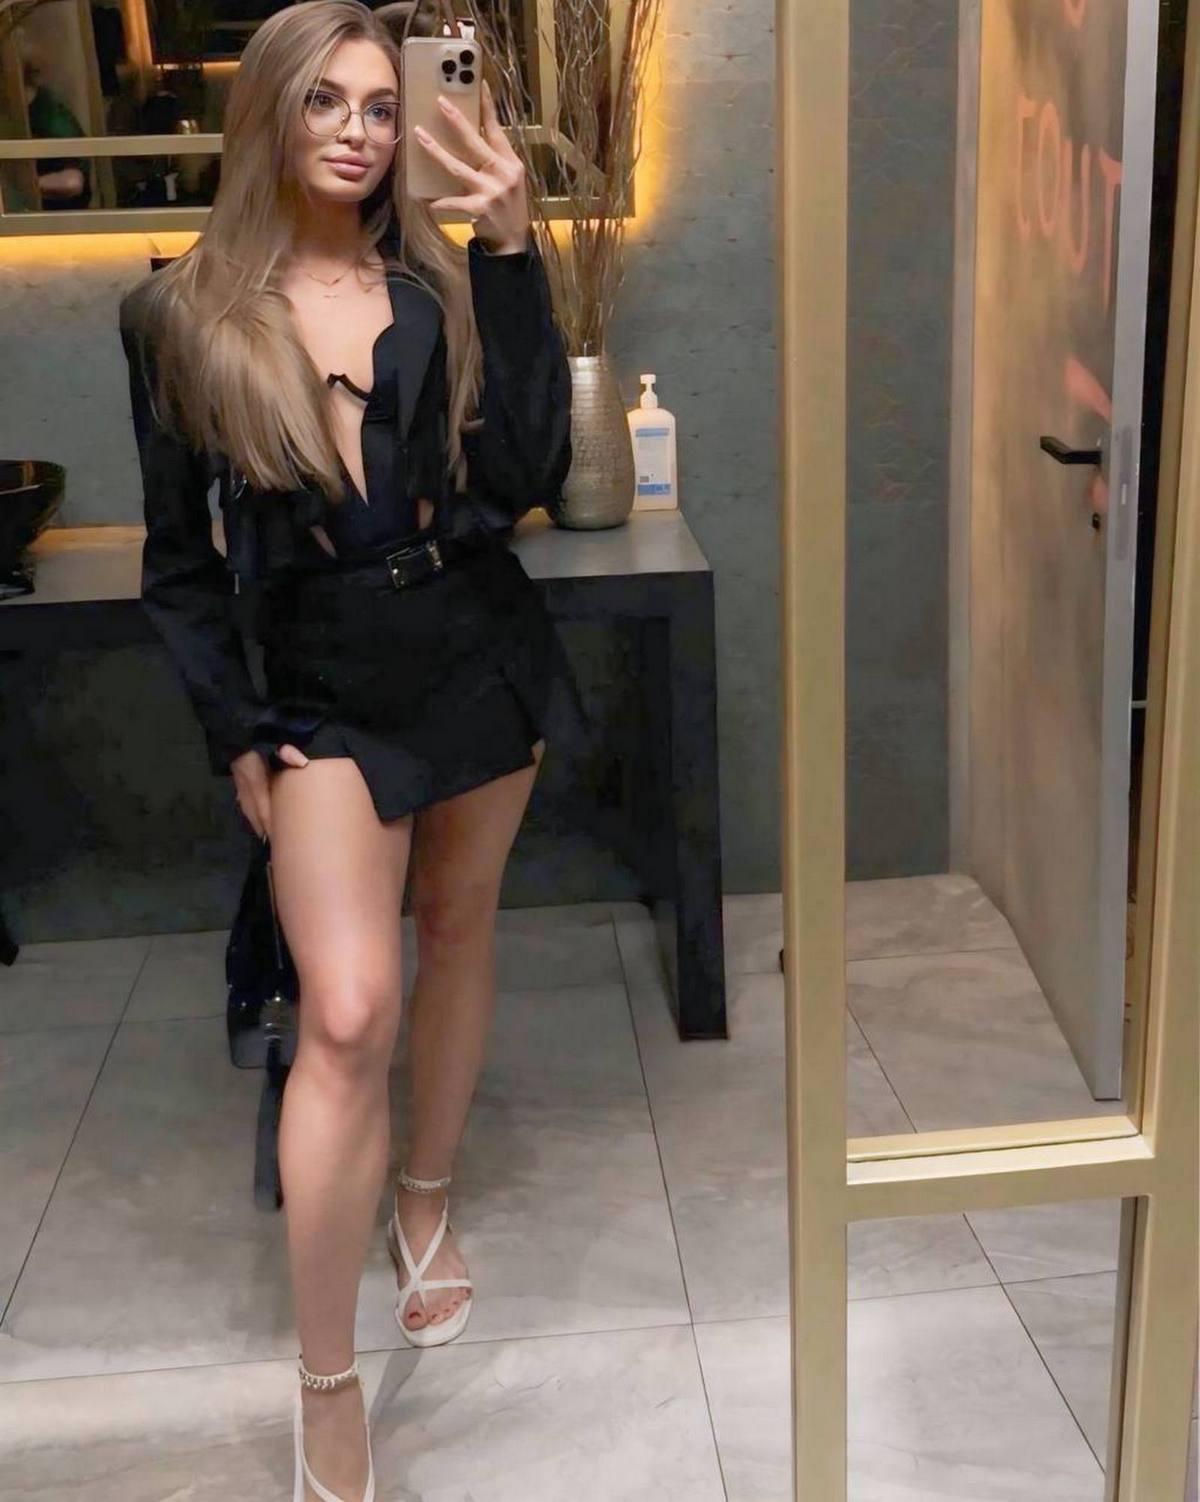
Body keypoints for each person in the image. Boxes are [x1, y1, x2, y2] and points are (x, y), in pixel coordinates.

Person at [117, 5, 580, 1499]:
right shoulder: (180, 314)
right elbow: (180, 559)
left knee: (459, 927)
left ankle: (423, 1200)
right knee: (349, 1007)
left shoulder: (437, 286)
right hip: (321, 692)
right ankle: (327, 1379)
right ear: (268, 111)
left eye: (383, 106)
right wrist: (233, 732)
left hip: (471, 649)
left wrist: (511, 251)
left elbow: (526, 473)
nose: (360, 132)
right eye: (326, 101)